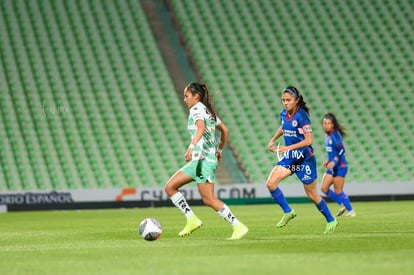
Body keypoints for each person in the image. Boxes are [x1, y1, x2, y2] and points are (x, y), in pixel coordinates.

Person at [164, 82, 248, 240]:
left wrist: (191, 146)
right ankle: (192, 219)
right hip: (200, 160)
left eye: (187, 96)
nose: (184, 99)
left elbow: (201, 129)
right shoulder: (208, 111)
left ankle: (238, 225)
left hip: (202, 161)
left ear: (196, 96)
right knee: (170, 187)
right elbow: (225, 130)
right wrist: (219, 150)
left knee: (209, 199)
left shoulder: (196, 109)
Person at [266, 86, 338, 234]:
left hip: (304, 158)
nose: (285, 103)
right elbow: (283, 127)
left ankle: (331, 219)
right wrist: (273, 139)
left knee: (312, 194)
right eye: (283, 100)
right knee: (271, 183)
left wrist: (287, 148)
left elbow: (309, 140)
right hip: (291, 157)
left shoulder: (302, 116)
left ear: (297, 100)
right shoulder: (284, 113)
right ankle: (288, 211)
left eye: (288, 100)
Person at [321, 113, 356, 217]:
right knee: (324, 188)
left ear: (333, 125)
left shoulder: (335, 135)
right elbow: (333, 152)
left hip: (340, 167)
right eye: (324, 123)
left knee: (338, 190)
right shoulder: (327, 136)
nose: (326, 125)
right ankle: (342, 205)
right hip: (332, 167)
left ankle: (351, 211)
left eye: (328, 123)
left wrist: (333, 162)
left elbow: (341, 151)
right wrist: (328, 160)